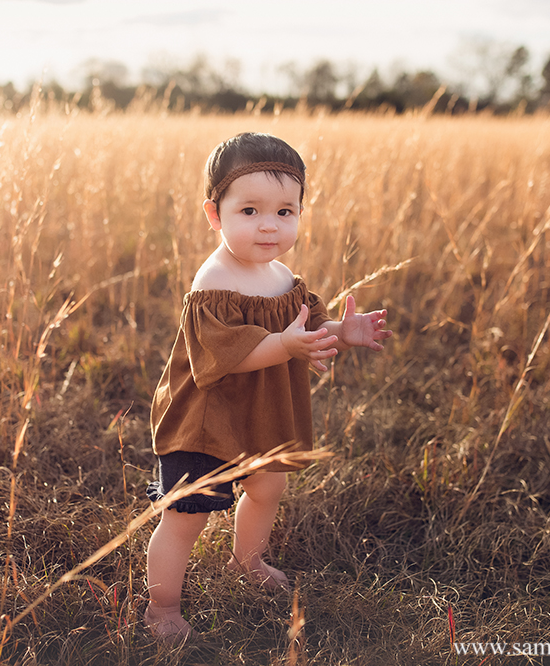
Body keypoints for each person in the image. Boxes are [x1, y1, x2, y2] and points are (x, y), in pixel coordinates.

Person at [144, 132, 392, 644]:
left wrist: (342, 332)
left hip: (259, 415)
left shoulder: (282, 277)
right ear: (215, 215)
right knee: (186, 514)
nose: (268, 225)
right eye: (250, 210)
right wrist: (286, 344)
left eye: (285, 212)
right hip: (206, 423)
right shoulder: (213, 282)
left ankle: (247, 560)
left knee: (268, 487)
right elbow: (234, 355)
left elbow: (303, 333)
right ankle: (161, 607)